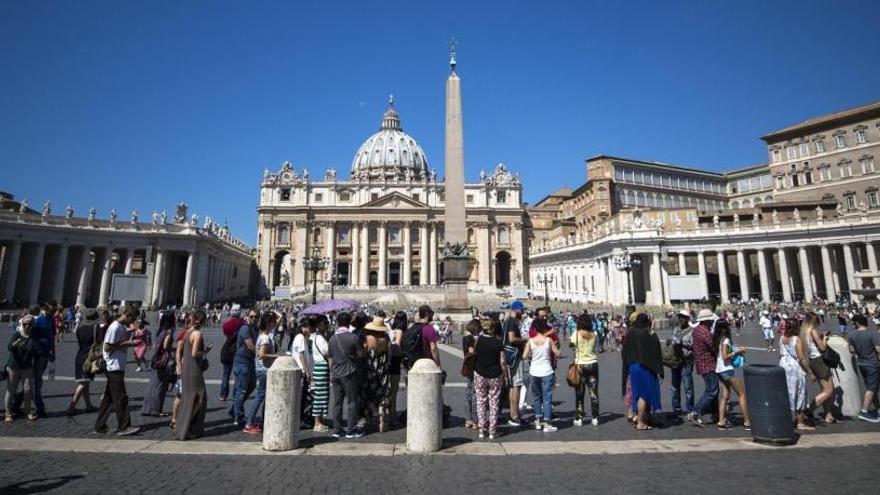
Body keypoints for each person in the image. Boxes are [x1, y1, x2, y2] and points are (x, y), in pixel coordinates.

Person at [94, 307, 141, 436]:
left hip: (117, 365)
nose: (133, 322)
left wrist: (127, 341)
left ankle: (99, 425)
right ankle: (124, 426)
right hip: (113, 366)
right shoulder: (115, 327)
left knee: (109, 398)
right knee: (121, 397)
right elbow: (108, 347)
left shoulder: (120, 326)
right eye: (132, 318)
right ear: (128, 315)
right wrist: (128, 344)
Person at [622, 313, 663, 430]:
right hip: (644, 366)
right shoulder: (645, 334)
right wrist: (653, 331)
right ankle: (640, 422)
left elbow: (624, 351)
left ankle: (645, 417)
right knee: (644, 395)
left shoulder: (630, 332)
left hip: (633, 367)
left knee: (638, 393)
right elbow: (655, 345)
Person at [176, 310, 211, 440]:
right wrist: (205, 351)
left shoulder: (188, 332)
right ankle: (186, 425)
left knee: (188, 398)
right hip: (194, 369)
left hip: (187, 368)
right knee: (200, 398)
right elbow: (195, 353)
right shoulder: (197, 334)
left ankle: (183, 427)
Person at [328, 311, 364, 438]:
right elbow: (360, 355)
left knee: (337, 402)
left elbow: (330, 359)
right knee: (352, 401)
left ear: (337, 323)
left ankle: (337, 429)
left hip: (336, 373)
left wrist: (331, 373)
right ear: (349, 323)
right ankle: (350, 429)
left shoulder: (332, 339)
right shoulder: (353, 338)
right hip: (349, 372)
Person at [523, 318, 561, 432]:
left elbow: (524, 356)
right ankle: (547, 423)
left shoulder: (530, 341)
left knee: (536, 397)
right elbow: (558, 353)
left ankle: (538, 421)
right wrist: (556, 346)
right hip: (547, 371)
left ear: (534, 328)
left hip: (534, 371)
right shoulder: (548, 340)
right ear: (544, 328)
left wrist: (532, 355)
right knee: (547, 398)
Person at [243, 312, 278, 434]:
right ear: (268, 324)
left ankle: (263, 422)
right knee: (260, 397)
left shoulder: (261, 335)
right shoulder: (265, 338)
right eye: (272, 322)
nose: (274, 324)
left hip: (261, 369)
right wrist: (276, 356)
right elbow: (262, 354)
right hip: (264, 370)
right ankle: (249, 423)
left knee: (264, 396)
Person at [473, 318, 507, 439]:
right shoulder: (498, 342)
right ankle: (492, 431)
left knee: (480, 401)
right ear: (493, 328)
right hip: (495, 375)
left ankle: (482, 430)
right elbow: (502, 361)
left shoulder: (478, 340)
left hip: (480, 373)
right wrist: (506, 376)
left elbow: (474, 354)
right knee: (494, 402)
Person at [713, 320, 750, 430]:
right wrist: (737, 352)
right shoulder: (726, 340)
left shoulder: (717, 339)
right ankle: (747, 421)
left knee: (725, 396)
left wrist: (735, 350)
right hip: (727, 370)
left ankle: (721, 421)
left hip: (719, 370)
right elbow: (725, 356)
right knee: (742, 394)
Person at [778, 318, 814, 431]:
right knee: (799, 393)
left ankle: (786, 420)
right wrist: (810, 371)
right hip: (794, 368)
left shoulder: (782, 338)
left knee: (786, 393)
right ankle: (800, 422)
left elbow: (780, 354)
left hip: (783, 366)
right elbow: (801, 358)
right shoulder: (796, 339)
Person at [801, 312, 835, 424]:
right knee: (829, 391)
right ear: (814, 321)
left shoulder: (804, 332)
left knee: (825, 390)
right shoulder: (813, 330)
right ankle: (809, 410)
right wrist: (824, 338)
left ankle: (828, 415)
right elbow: (822, 347)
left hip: (812, 361)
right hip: (819, 361)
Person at [140, 311, 176, 417]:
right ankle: (156, 409)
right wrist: (173, 350)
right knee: (160, 386)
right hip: (163, 361)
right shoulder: (169, 331)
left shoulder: (159, 330)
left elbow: (157, 345)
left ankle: (147, 408)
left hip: (156, 359)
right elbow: (165, 346)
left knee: (153, 385)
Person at [66, 310, 100, 416]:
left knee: (86, 382)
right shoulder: (96, 329)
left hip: (80, 355)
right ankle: (71, 407)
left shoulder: (79, 329)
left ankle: (88, 405)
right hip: (89, 358)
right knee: (83, 383)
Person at [689, 309, 719, 428]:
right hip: (708, 363)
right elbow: (713, 347)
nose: (712, 322)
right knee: (711, 390)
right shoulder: (705, 332)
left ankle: (715, 412)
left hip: (701, 363)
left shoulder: (696, 330)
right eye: (711, 320)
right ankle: (695, 412)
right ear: (706, 321)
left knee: (713, 389)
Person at [848, 314, 880, 422]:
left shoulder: (852, 335)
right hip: (873, 363)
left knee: (873, 387)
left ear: (857, 322)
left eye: (853, 322)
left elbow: (852, 351)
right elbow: (878, 349)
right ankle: (864, 411)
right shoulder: (872, 334)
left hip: (861, 363)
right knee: (871, 388)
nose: (852, 324)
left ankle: (878, 409)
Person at [5, 315, 37, 422]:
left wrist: (23, 346)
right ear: (22, 324)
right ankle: (8, 413)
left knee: (28, 390)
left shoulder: (34, 337)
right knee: (11, 390)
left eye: (30, 324)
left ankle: (27, 411)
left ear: (33, 325)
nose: (27, 326)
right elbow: (9, 347)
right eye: (25, 324)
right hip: (13, 367)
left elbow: (34, 349)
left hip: (26, 368)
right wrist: (15, 344)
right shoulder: (16, 334)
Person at [570, 313, 600, 426]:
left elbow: (571, 345)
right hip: (593, 363)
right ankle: (595, 417)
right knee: (594, 392)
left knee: (579, 392)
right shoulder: (594, 334)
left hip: (580, 365)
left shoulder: (576, 334)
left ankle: (579, 418)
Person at [363, 316, 392, 432]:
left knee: (370, 396)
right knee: (383, 397)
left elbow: (364, 353)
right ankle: (382, 423)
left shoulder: (368, 338)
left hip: (370, 370)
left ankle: (371, 422)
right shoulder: (386, 339)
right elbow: (389, 355)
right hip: (383, 370)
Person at [230, 310, 258, 427]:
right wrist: (263, 352)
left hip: (250, 361)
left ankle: (234, 409)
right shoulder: (245, 328)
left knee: (251, 385)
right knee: (241, 390)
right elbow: (251, 346)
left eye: (256, 317)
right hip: (241, 361)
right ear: (247, 317)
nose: (253, 318)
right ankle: (238, 416)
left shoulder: (255, 329)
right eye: (251, 316)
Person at [502, 302, 527, 426]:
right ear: (516, 309)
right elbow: (512, 339)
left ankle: (513, 414)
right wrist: (525, 340)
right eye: (521, 310)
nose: (522, 313)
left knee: (512, 386)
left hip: (508, 356)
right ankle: (515, 415)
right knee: (516, 386)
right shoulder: (512, 322)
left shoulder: (508, 321)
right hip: (514, 356)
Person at [669, 310, 695, 416]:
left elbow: (694, 347)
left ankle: (690, 408)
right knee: (674, 386)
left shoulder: (692, 331)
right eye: (679, 316)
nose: (681, 319)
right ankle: (677, 408)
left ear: (688, 319)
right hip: (676, 360)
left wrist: (682, 345)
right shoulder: (676, 329)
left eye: (683, 317)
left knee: (688, 387)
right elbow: (672, 341)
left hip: (686, 360)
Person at [292, 316, 315, 428]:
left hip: (299, 370)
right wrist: (307, 371)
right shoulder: (300, 337)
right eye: (310, 328)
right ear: (305, 327)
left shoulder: (299, 337)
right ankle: (299, 420)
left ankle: (299, 419)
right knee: (301, 398)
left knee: (301, 398)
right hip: (302, 371)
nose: (310, 331)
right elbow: (301, 356)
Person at [219, 305, 245, 401]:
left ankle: (223, 394)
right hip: (239, 351)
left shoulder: (226, 325)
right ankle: (235, 394)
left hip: (228, 350)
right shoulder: (243, 324)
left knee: (226, 374)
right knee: (238, 375)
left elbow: (226, 334)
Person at [311, 316, 331, 432]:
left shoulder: (320, 337)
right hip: (321, 367)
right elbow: (326, 351)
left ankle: (320, 420)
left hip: (322, 368)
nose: (327, 325)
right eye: (324, 323)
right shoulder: (319, 338)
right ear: (318, 325)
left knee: (323, 395)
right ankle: (316, 422)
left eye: (327, 323)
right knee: (319, 396)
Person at [387, 311, 407, 426]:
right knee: (393, 392)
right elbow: (397, 346)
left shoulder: (391, 330)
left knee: (390, 391)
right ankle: (393, 417)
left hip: (390, 362)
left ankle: (389, 414)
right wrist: (404, 353)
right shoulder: (399, 331)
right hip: (395, 363)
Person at [462, 319, 480, 430]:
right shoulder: (470, 338)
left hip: (468, 367)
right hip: (473, 367)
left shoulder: (465, 338)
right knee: (474, 393)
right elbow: (472, 352)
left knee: (469, 392)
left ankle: (468, 418)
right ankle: (474, 419)